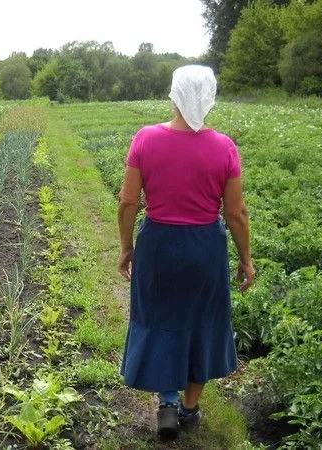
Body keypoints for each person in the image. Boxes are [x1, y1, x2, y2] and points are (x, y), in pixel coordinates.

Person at [117, 65, 255, 439]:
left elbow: (129, 201)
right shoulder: (224, 147)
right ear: (208, 97)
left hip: (158, 245)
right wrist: (245, 259)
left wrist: (127, 247)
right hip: (204, 248)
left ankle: (166, 401)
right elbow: (236, 213)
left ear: (174, 95)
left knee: (161, 316)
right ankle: (189, 408)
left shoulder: (145, 139)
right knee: (201, 322)